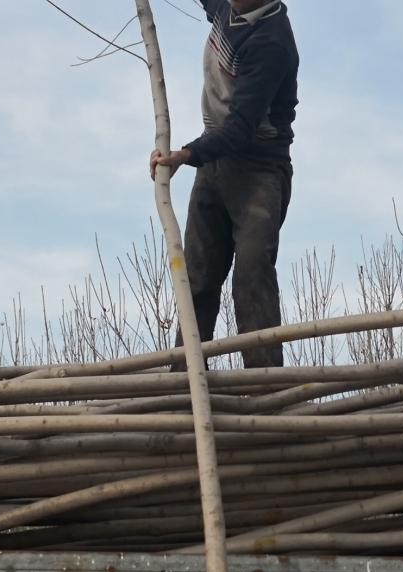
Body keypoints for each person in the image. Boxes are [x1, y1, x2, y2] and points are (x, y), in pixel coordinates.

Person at [148, 0, 299, 370]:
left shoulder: (271, 41)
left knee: (252, 273)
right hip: (215, 159)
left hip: (258, 170)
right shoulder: (228, 7)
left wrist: (186, 154)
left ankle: (264, 388)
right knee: (197, 277)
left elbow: (240, 128)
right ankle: (185, 384)